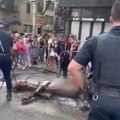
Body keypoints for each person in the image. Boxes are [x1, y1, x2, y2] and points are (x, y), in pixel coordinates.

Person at [68, 1, 120, 119]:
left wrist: (84, 89)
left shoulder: (95, 41)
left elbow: (73, 68)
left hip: (100, 101)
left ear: (111, 19)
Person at [0, 21, 13, 101]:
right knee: (7, 76)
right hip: (6, 57)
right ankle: (9, 94)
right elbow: (11, 49)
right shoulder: (9, 35)